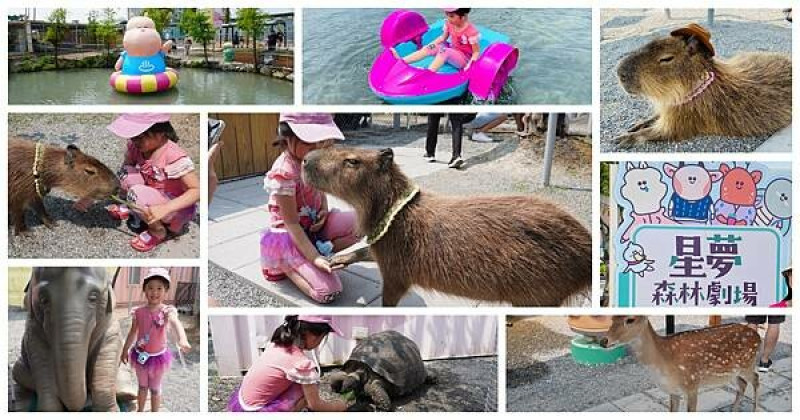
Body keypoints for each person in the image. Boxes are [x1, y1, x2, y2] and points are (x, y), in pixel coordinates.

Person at [260, 113, 360, 303]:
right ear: (287, 136)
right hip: (290, 235)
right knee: (329, 293)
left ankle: (315, 254)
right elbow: (291, 223)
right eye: (310, 142)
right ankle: (286, 264)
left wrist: (323, 209)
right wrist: (314, 258)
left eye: (323, 142)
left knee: (363, 222)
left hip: (313, 226)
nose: (317, 149)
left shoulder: (315, 160)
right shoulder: (284, 173)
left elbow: (319, 190)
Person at [106, 113, 200, 252]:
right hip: (151, 193)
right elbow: (128, 166)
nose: (134, 141)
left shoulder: (173, 156)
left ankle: (158, 230)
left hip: (174, 207)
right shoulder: (136, 146)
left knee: (136, 193)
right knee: (126, 173)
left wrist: (166, 208)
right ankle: (135, 206)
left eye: (139, 137)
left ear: (160, 133)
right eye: (132, 136)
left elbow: (197, 191)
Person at [228, 315, 349, 412]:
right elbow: (315, 405)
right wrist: (339, 406)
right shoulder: (301, 364)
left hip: (243, 403)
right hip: (257, 411)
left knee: (301, 383)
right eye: (323, 338)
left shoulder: (276, 344)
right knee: (310, 387)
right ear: (312, 336)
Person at [121, 268, 192, 412]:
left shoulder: (167, 311)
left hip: (158, 357)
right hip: (140, 355)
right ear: (144, 290)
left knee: (155, 389)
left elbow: (175, 322)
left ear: (166, 291)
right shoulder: (138, 312)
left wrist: (183, 339)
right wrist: (124, 350)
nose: (154, 292)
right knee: (142, 386)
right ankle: (140, 411)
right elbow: (132, 332)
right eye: (150, 288)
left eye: (159, 288)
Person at [392, 8, 480, 72]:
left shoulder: (471, 32)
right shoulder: (449, 24)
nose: (449, 19)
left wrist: (469, 65)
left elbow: (476, 52)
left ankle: (428, 72)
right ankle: (402, 61)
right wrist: (429, 46)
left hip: (464, 59)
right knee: (430, 47)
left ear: (463, 17)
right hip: (453, 51)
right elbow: (442, 38)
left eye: (452, 16)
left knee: (444, 51)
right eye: (447, 15)